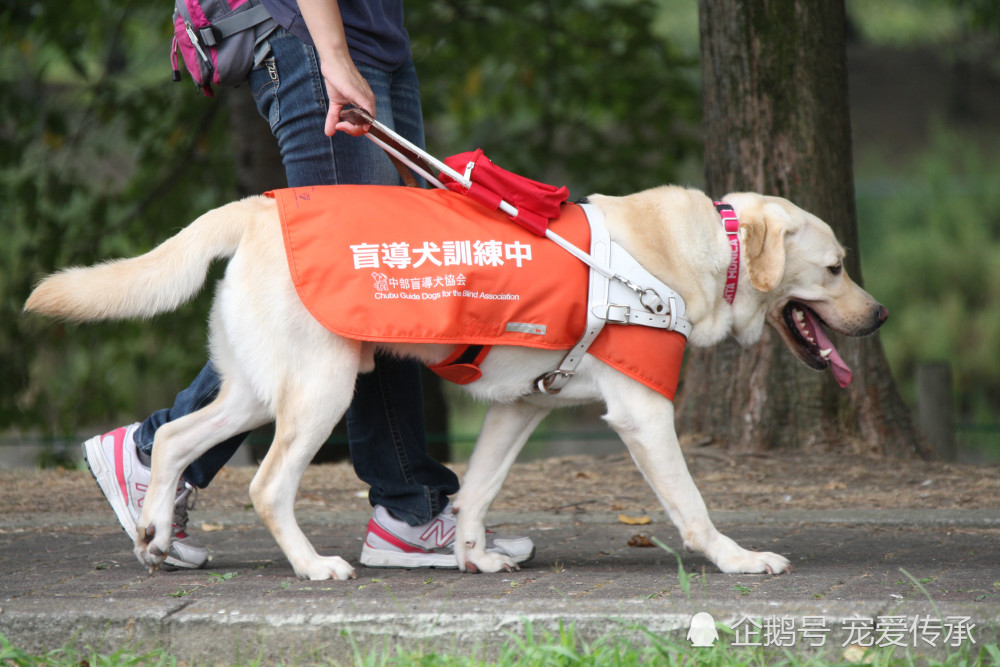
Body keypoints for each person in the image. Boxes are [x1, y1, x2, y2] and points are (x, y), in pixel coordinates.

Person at [83, 0, 533, 571]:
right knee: (354, 292)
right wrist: (334, 55)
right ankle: (157, 452)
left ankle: (406, 509)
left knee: (392, 286)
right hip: (314, 40)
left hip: (378, 43)